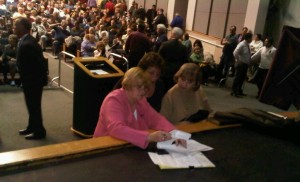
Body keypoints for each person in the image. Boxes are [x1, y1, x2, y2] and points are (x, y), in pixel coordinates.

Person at [93, 67, 186, 149]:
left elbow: (155, 118)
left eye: (145, 87)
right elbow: (116, 128)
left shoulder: (141, 100)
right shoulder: (113, 100)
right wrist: (148, 137)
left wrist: (175, 133)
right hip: (106, 149)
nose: (143, 91)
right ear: (127, 86)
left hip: (127, 146)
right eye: (139, 87)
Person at [14, 17, 48, 140]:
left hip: (33, 81)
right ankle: (32, 126)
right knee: (31, 105)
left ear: (22, 27)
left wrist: (33, 80)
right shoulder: (26, 40)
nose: (14, 28)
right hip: (30, 80)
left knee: (34, 106)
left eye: (15, 25)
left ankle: (39, 131)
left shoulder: (28, 43)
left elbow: (38, 64)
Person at [158, 27, 188, 91]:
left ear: (172, 34)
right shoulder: (183, 48)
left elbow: (159, 57)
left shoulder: (165, 44)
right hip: (177, 72)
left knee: (163, 90)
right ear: (180, 36)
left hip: (165, 71)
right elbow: (185, 61)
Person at [231, 32, 253, 97]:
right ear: (248, 38)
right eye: (251, 38)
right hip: (241, 64)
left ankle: (239, 91)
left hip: (245, 64)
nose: (251, 39)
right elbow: (235, 52)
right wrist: (238, 60)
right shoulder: (242, 44)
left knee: (242, 78)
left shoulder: (247, 44)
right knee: (238, 78)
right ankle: (234, 91)